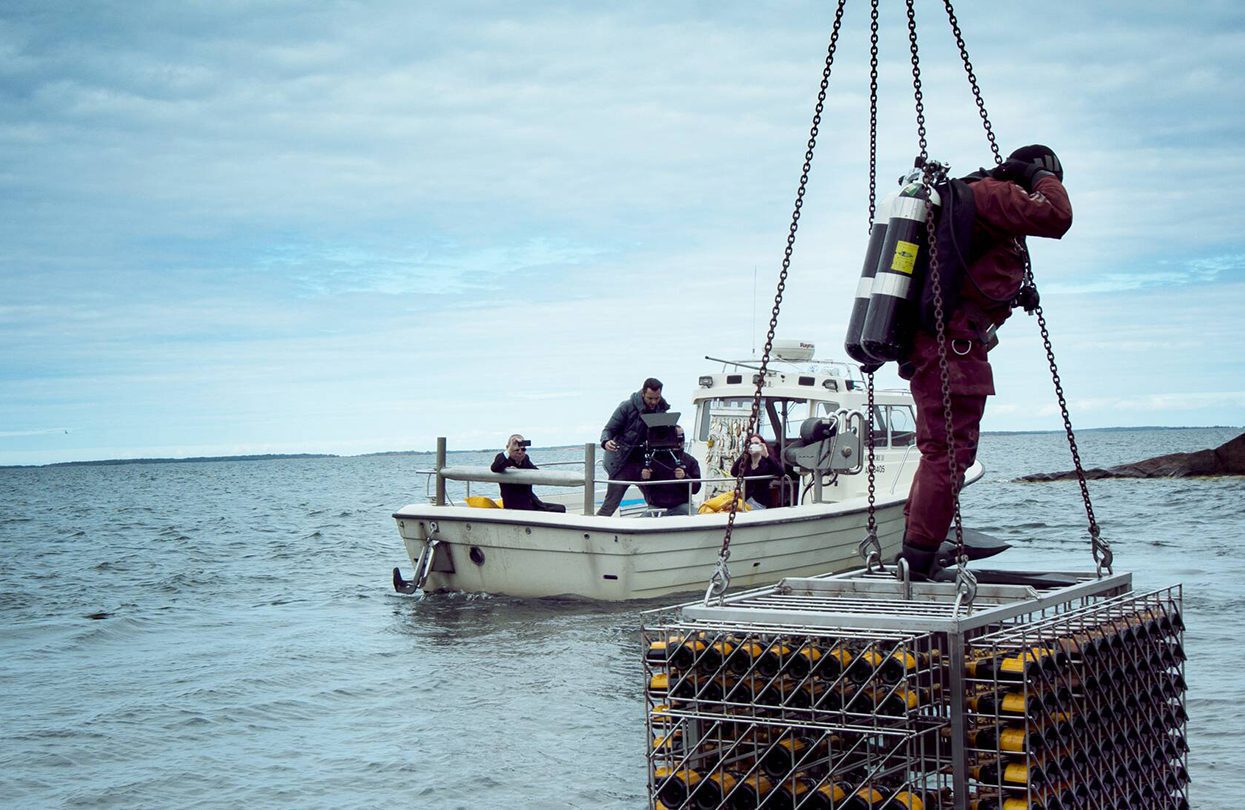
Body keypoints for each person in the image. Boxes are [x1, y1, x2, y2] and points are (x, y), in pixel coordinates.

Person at [897, 144, 1073, 579]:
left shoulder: (974, 202)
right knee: (949, 452)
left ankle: (917, 552)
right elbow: (1057, 217)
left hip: (939, 343)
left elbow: (970, 280)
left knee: (941, 450)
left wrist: (1014, 296)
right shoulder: (996, 195)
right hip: (951, 347)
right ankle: (917, 560)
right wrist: (1038, 178)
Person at [596, 378, 670, 516]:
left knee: (657, 499)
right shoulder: (626, 406)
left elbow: (662, 435)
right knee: (611, 503)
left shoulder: (661, 408)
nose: (653, 402)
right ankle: (594, 529)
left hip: (644, 462)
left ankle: (659, 527)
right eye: (650, 398)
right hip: (622, 461)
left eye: (657, 398)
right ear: (643, 393)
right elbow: (608, 430)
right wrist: (606, 442)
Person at [490, 434, 566, 513]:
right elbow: (495, 467)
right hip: (516, 506)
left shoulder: (525, 459)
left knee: (560, 508)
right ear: (508, 448)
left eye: (523, 450)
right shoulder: (503, 459)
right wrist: (509, 450)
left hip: (532, 502)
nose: (520, 452)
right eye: (516, 450)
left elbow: (537, 473)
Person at [639, 425, 702, 516]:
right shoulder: (652, 460)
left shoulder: (690, 461)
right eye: (676, 436)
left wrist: (684, 477)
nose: (679, 440)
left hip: (682, 505)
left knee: (696, 519)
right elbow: (644, 487)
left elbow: (696, 489)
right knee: (643, 521)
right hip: (656, 505)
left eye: (681, 437)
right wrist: (644, 478)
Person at [729, 433, 785, 510]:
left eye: (756, 443)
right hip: (746, 499)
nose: (753, 445)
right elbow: (734, 472)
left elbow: (781, 472)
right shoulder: (746, 463)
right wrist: (745, 453)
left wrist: (767, 455)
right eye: (751, 444)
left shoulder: (767, 462)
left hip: (760, 501)